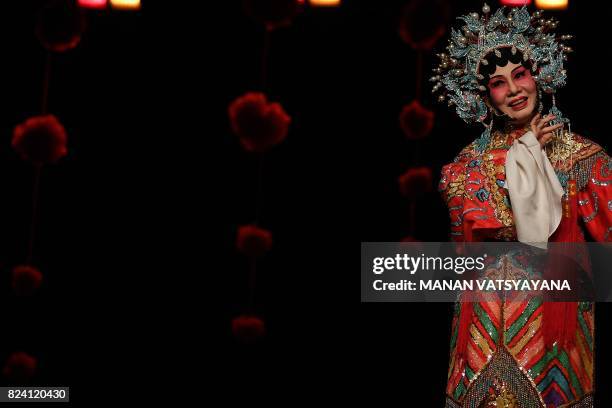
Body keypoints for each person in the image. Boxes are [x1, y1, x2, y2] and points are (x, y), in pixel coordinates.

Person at [434, 4, 611, 407]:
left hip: (553, 325)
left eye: (519, 75)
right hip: (481, 324)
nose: (513, 90)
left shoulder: (583, 157)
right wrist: (526, 152)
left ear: (538, 76)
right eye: (498, 83)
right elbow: (487, 226)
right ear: (485, 97)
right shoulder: (467, 165)